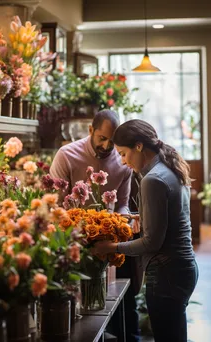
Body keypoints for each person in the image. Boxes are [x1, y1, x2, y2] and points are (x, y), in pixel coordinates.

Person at [92, 119, 199, 342]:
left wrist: (110, 247)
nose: (123, 161)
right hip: (182, 268)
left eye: (123, 153)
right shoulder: (170, 168)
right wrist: (144, 216)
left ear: (139, 146)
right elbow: (174, 217)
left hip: (166, 274)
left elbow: (151, 243)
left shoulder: (152, 179)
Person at [50, 110, 141, 342]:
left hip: (109, 239)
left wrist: (118, 224)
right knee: (78, 305)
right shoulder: (67, 155)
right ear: (90, 130)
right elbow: (54, 204)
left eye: (112, 140)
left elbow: (122, 204)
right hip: (73, 240)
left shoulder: (122, 160)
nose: (108, 145)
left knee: (124, 296)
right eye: (102, 138)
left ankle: (129, 337)